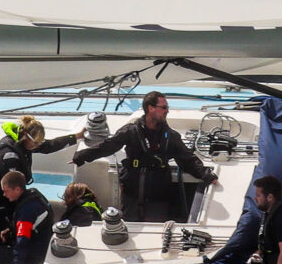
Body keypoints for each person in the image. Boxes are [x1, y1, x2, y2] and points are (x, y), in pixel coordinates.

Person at [71, 91, 217, 222]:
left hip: (158, 193)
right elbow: (108, 146)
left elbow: (186, 159)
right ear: (150, 108)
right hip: (132, 191)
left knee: (155, 225)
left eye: (167, 107)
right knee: (130, 224)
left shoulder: (170, 136)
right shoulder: (131, 131)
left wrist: (206, 174)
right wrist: (81, 156)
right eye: (163, 107)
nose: (167, 111)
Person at [0, 169, 54, 264]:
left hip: (30, 262)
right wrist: (11, 230)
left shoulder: (27, 211)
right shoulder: (35, 197)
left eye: (6, 191)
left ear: (17, 189)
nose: (4, 195)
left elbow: (22, 243)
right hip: (41, 252)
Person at [0, 117, 57, 191]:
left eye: (40, 143)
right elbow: (13, 188)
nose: (37, 146)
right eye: (35, 142)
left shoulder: (24, 143)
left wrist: (66, 139)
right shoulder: (9, 154)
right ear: (25, 135)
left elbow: (49, 146)